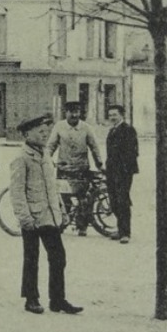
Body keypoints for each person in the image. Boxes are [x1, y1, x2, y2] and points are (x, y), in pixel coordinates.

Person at [12, 112, 81, 315]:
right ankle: (31, 298)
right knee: (31, 258)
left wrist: (61, 210)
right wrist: (25, 218)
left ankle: (58, 299)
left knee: (58, 256)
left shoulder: (45, 156)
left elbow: (52, 187)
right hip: (32, 217)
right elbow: (17, 192)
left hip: (49, 216)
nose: (45, 135)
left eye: (46, 132)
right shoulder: (21, 158)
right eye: (40, 132)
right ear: (26, 135)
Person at [47, 101, 103, 236]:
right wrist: (46, 160)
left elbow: (94, 147)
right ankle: (62, 223)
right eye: (71, 111)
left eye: (77, 111)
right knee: (63, 198)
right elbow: (51, 146)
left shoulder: (86, 128)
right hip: (64, 169)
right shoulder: (59, 127)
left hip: (81, 168)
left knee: (83, 199)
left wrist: (99, 163)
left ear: (80, 113)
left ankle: (82, 226)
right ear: (65, 113)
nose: (74, 114)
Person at [104, 103, 138, 244]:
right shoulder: (112, 130)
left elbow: (132, 152)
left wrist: (123, 170)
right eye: (110, 115)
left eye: (115, 115)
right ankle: (120, 229)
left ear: (122, 115)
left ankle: (125, 233)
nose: (112, 117)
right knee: (114, 201)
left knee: (122, 201)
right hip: (112, 171)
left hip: (123, 172)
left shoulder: (128, 130)